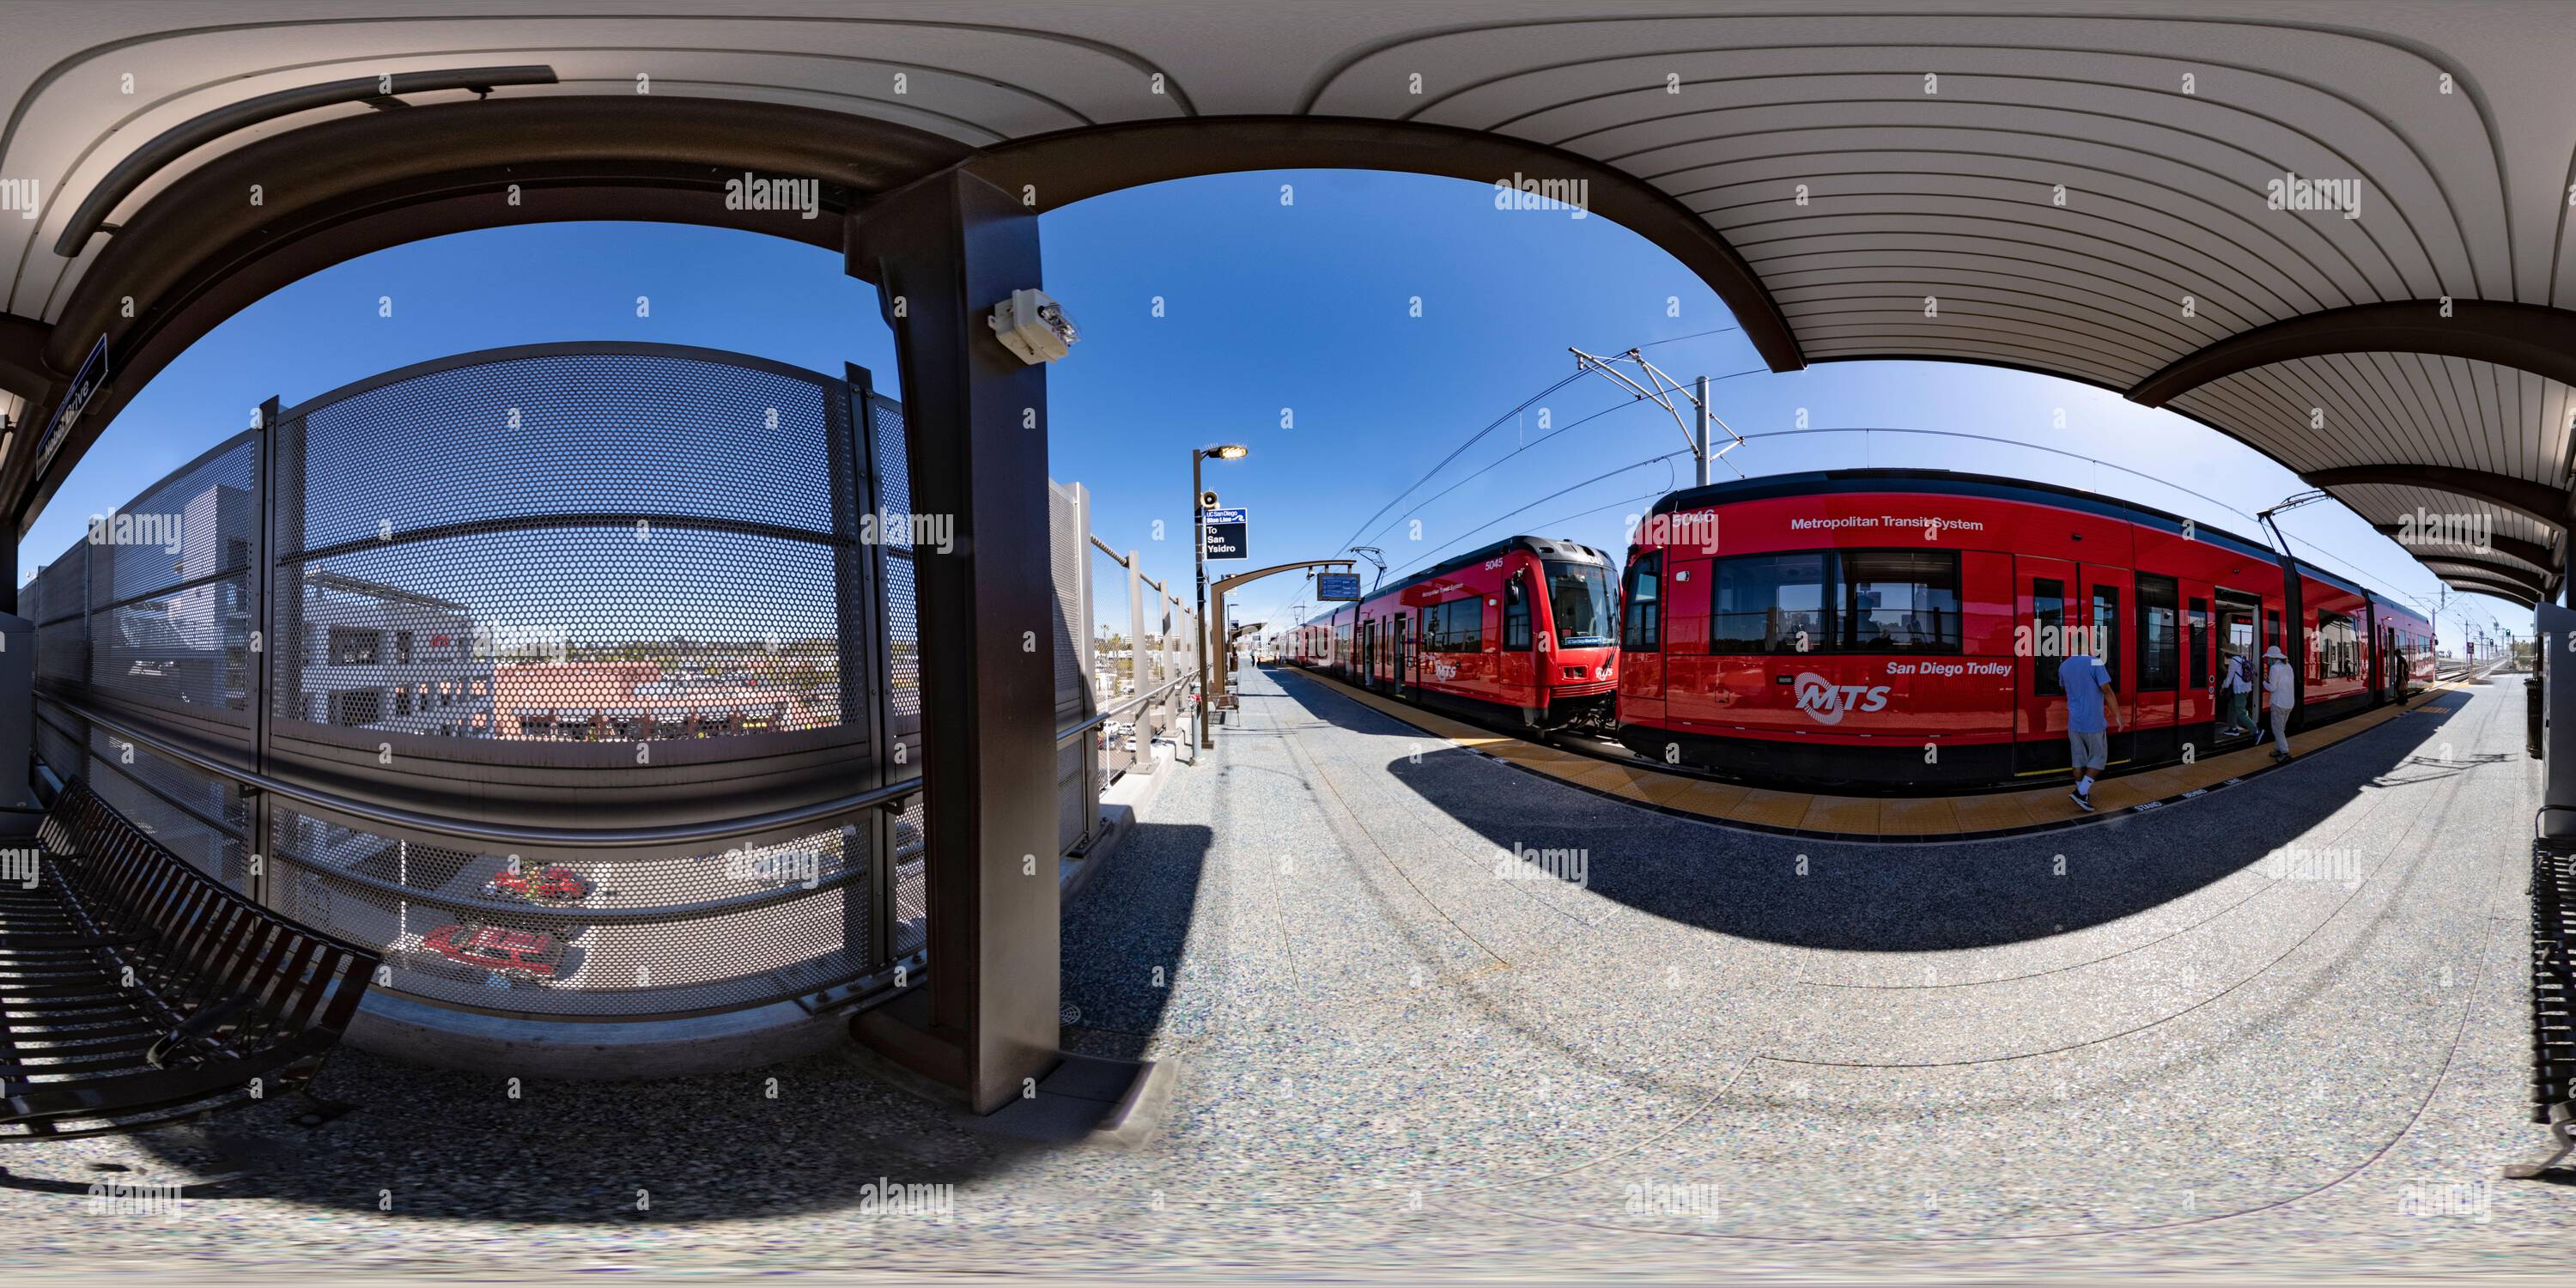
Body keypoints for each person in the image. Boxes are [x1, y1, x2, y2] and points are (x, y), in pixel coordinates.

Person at [2059, 643, 2125, 811]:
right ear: (2084, 645)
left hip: (2074, 722)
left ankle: (2083, 793)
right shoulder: (2095, 662)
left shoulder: (2064, 665)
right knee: (2098, 758)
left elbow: (2062, 688)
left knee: (2078, 758)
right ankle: (2081, 793)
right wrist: (2118, 715)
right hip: (2093, 722)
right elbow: (2107, 690)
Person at [2262, 643, 2296, 762]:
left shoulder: (2274, 668)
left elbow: (2272, 688)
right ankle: (2277, 748)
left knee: (2277, 729)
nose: (2268, 660)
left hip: (2278, 703)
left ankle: (2285, 752)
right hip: (2289, 703)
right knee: (2281, 727)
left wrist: (2263, 682)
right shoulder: (2288, 666)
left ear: (2273, 658)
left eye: (2269, 658)